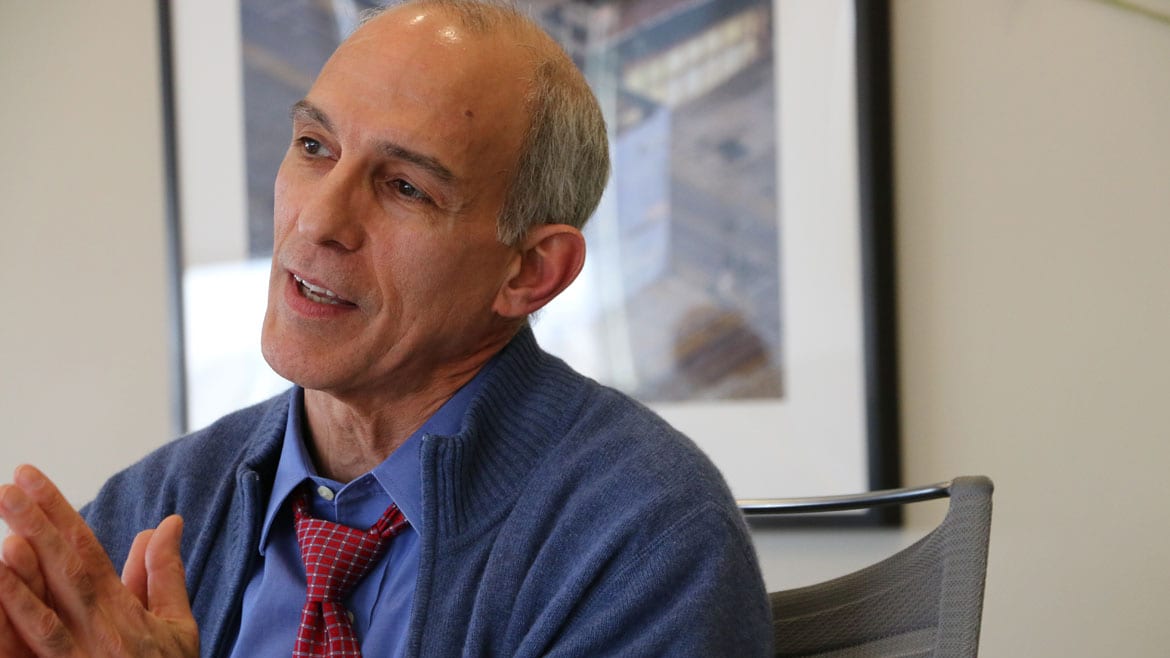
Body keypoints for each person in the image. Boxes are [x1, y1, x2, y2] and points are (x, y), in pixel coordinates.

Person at [0, 0, 774, 655]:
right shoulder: (155, 503)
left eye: (405, 187)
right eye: (314, 147)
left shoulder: (644, 536)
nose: (319, 220)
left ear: (531, 271)